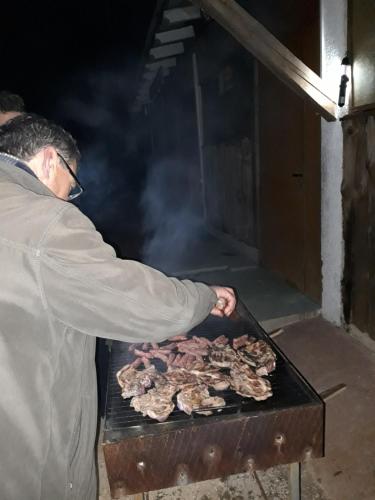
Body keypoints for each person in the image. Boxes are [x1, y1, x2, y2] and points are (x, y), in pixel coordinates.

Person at [0, 114, 236, 500]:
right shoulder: (43, 221)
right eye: (71, 184)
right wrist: (204, 296)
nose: (68, 197)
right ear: (48, 161)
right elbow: (139, 304)